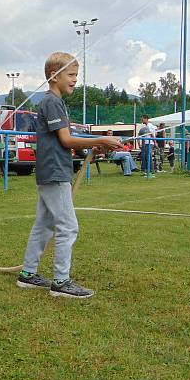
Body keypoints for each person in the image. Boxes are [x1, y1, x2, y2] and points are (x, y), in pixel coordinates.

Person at [17, 52, 123, 299]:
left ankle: (28, 275)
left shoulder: (56, 102)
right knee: (67, 227)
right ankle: (61, 282)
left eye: (77, 75)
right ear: (54, 77)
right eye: (71, 75)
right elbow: (65, 139)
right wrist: (100, 138)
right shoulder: (51, 102)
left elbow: (63, 139)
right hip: (54, 172)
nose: (75, 80)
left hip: (52, 170)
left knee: (44, 225)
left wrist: (91, 146)